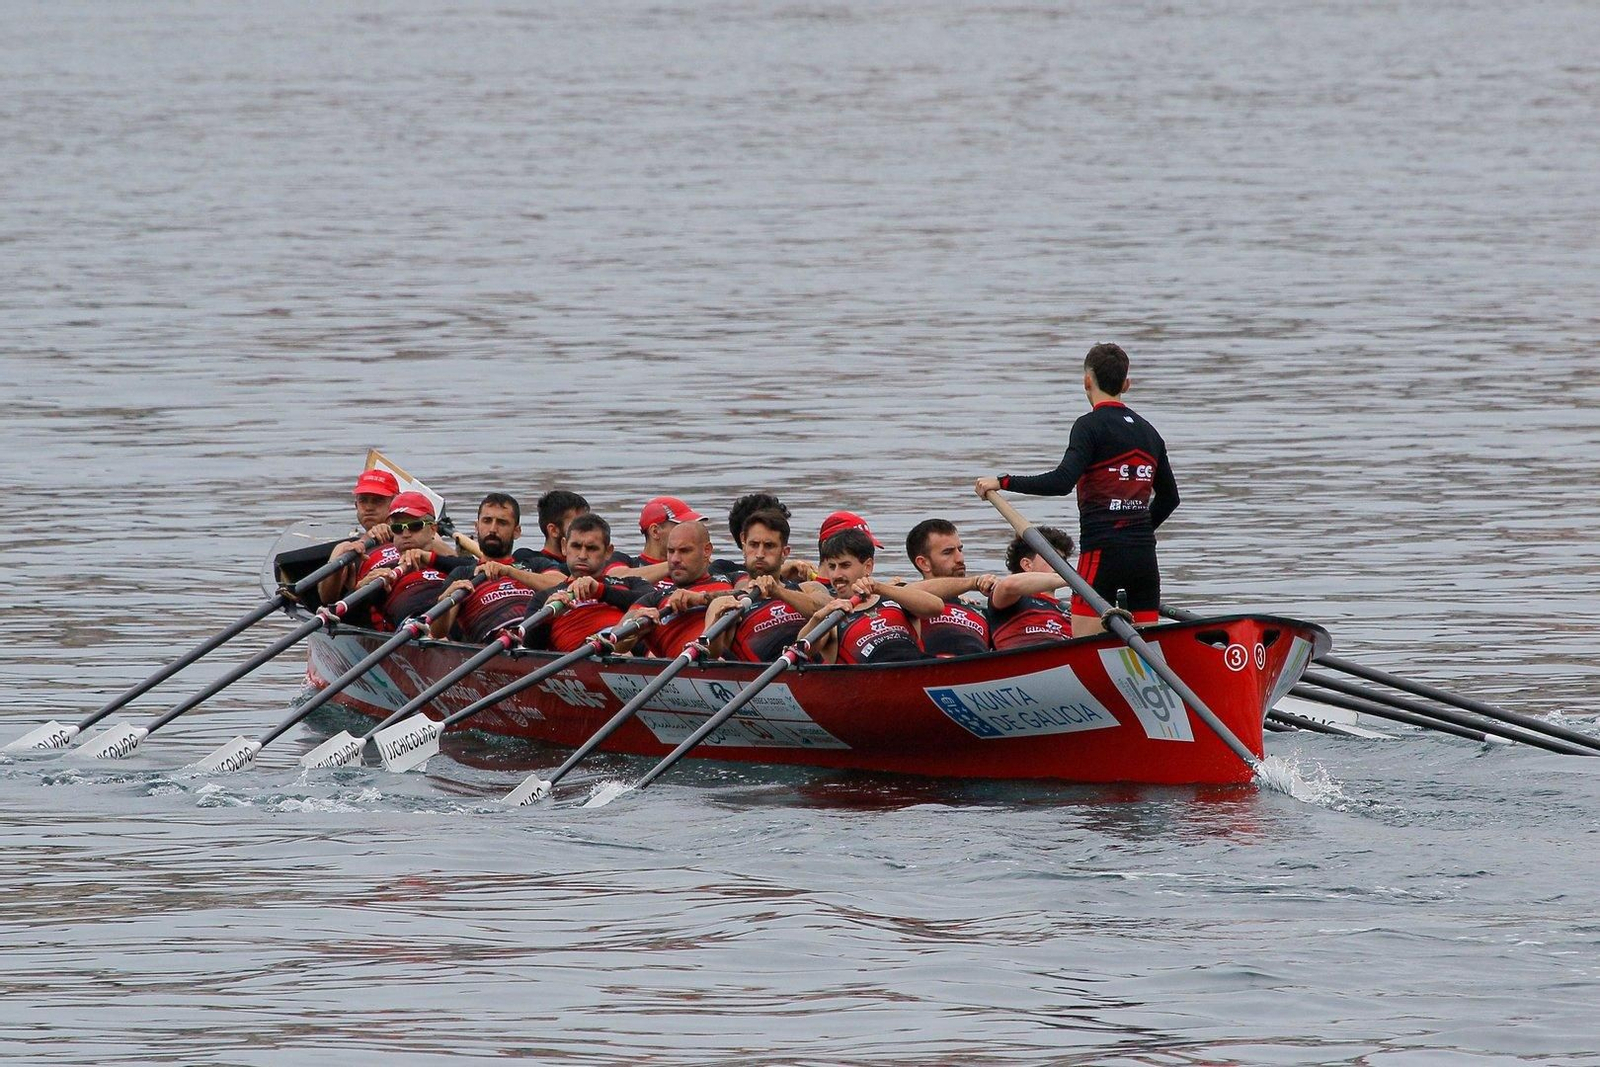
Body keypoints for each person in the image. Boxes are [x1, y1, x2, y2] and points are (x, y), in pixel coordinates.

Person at [975, 342, 1179, 637]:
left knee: (1083, 646)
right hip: (1144, 557)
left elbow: (1061, 482)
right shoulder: (1150, 432)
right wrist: (1138, 529)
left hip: (1102, 554)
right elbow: (1170, 498)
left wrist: (1004, 481)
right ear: (1126, 384)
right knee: (1149, 650)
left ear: (1087, 381)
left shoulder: (1089, 426)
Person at [801, 527, 944, 665]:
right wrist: (817, 617)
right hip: (871, 680)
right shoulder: (831, 618)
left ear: (868, 566)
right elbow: (803, 650)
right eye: (832, 567)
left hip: (919, 668)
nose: (836, 575)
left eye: (845, 565)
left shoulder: (896, 598)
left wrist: (879, 588)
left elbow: (936, 607)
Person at [704, 509, 829, 661]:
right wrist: (719, 622)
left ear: (785, 553)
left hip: (810, 670)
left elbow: (827, 610)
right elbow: (708, 655)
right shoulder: (726, 603)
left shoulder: (808, 588)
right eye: (754, 545)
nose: (760, 554)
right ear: (744, 547)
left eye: (769, 546)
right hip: (759, 678)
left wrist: (779, 592)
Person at [429, 493, 553, 642]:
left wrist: (508, 571)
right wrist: (443, 601)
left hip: (538, 638)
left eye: (502, 523)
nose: (493, 529)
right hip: (493, 647)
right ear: (477, 527)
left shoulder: (535, 565)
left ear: (517, 531)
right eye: (487, 521)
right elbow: (438, 632)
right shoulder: (462, 574)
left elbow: (563, 584)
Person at [521, 513, 653, 652]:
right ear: (564, 546)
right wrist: (546, 617)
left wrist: (600, 591)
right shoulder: (544, 598)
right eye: (576, 546)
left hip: (637, 646)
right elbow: (529, 649)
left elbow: (654, 602)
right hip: (585, 655)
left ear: (608, 552)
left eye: (591, 548)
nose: (582, 556)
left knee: (645, 615)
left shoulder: (631, 583)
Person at [351, 493, 475, 631]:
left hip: (455, 622)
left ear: (433, 529)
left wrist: (428, 558)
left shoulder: (449, 564)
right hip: (412, 626)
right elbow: (349, 617)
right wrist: (360, 588)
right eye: (398, 528)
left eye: (415, 526)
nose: (405, 534)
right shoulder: (385, 573)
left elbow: (478, 566)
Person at [617, 520, 734, 657]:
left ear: (706, 551)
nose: (675, 559)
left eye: (684, 551)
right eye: (671, 551)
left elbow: (745, 595)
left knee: (720, 605)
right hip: (683, 666)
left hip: (729, 655)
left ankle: (706, 649)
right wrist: (636, 624)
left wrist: (700, 599)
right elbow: (616, 643)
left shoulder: (731, 578)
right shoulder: (653, 599)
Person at [904, 518, 995, 657]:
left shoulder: (979, 610)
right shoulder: (906, 605)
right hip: (934, 669)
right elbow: (907, 592)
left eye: (960, 549)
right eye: (948, 552)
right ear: (923, 563)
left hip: (984, 666)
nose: (960, 559)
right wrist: (974, 582)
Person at [986, 528, 1077, 651]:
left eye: (1063, 560)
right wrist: (1071, 578)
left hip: (1070, 656)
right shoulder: (1011, 599)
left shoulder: (1072, 610)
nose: (1061, 565)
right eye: (1053, 558)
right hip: (1023, 660)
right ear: (1027, 565)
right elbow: (1009, 585)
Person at [634, 496, 706, 566]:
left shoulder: (704, 567)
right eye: (681, 526)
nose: (692, 533)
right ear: (655, 531)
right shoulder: (627, 564)